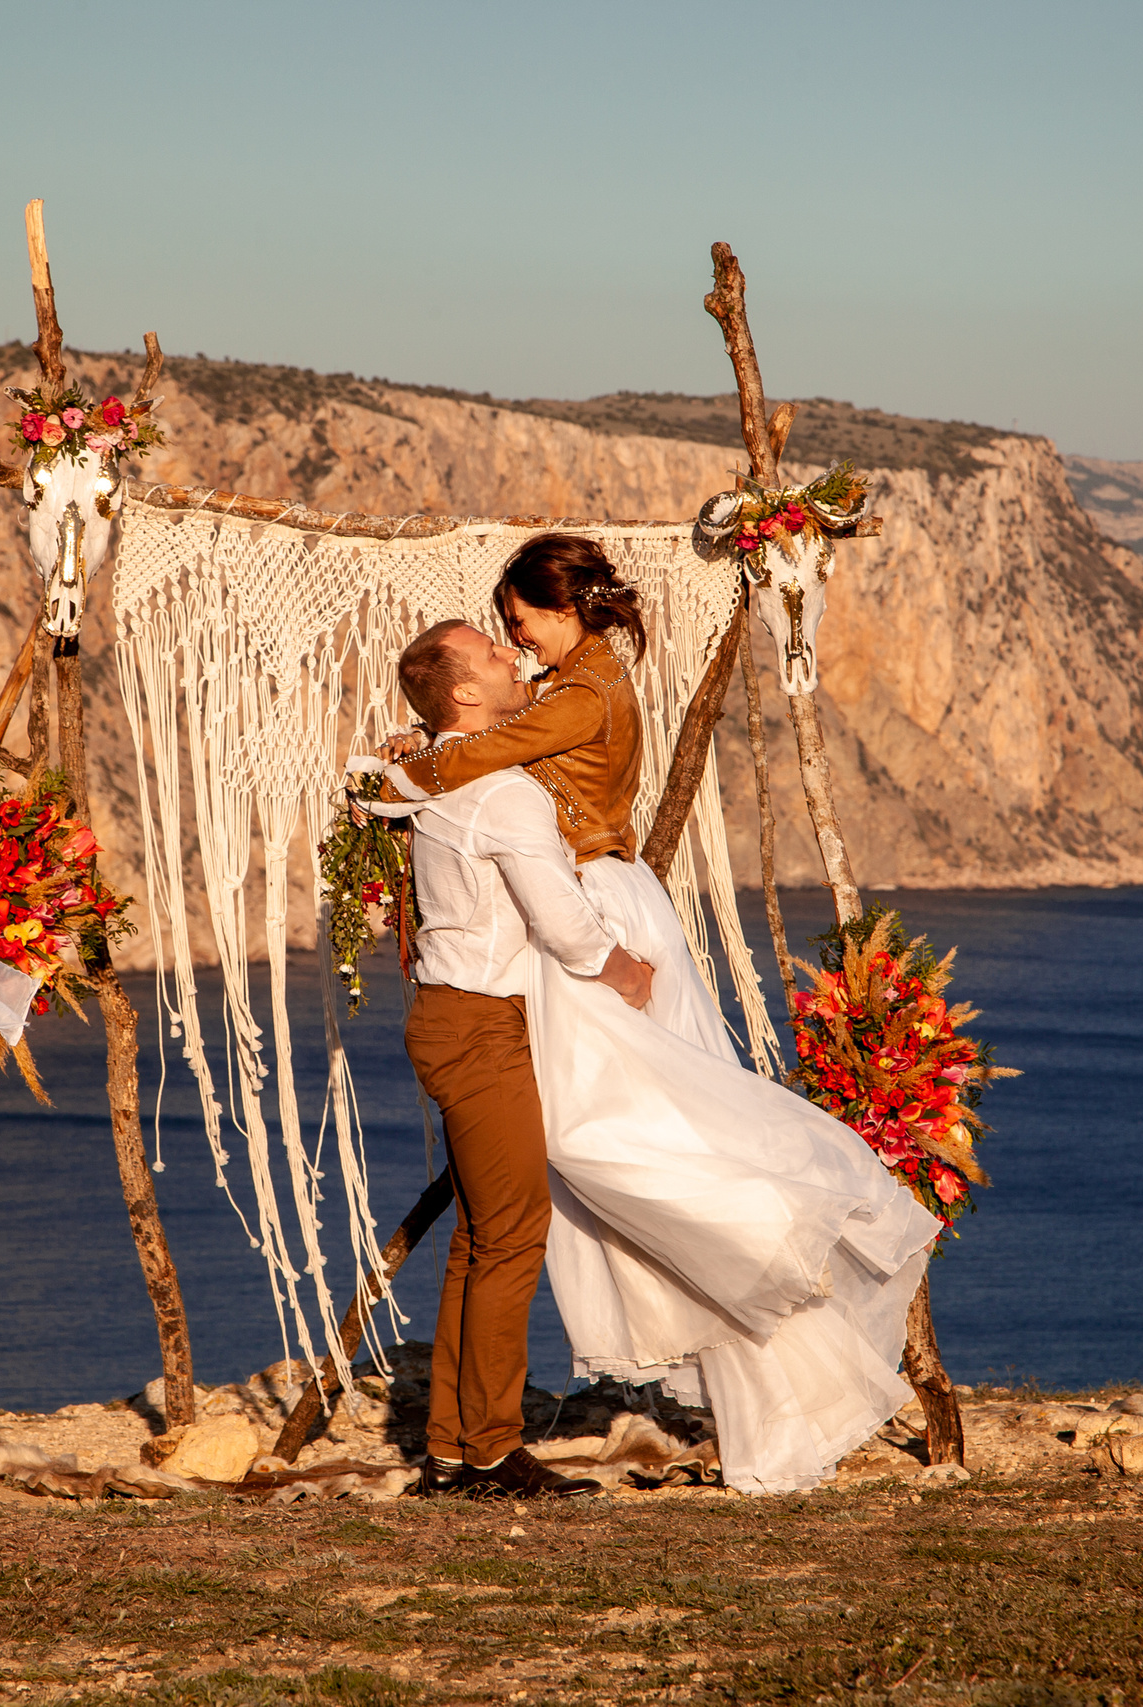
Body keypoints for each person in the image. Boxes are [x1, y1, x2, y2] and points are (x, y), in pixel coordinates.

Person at [381, 535, 943, 1493]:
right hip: (547, 955)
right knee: (535, 1198)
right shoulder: (549, 714)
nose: (513, 644)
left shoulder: (575, 698)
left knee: (611, 1161)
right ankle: (472, 1442)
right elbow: (484, 777)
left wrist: (408, 765)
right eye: (500, 639)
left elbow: (485, 773)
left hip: (587, 929)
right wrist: (422, 758)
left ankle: (481, 1438)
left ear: (563, 609)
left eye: (516, 623)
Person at [385, 617, 655, 1500]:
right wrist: (622, 969)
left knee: (478, 1240)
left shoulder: (434, 773)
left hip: (449, 1017)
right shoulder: (501, 793)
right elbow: (560, 919)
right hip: (480, 1025)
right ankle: (494, 1451)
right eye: (493, 653)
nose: (513, 656)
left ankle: (456, 1450)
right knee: (510, 1240)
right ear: (464, 691)